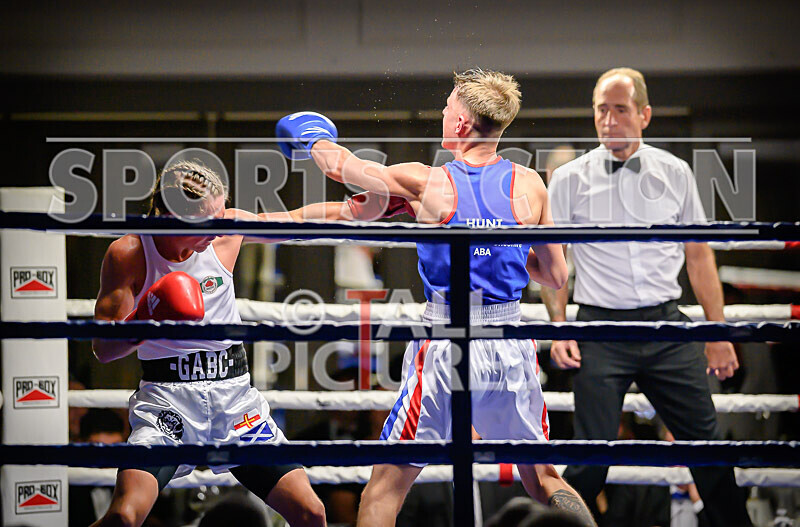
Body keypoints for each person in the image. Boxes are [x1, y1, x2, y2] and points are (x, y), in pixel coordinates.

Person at [276, 69, 596, 527]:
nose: (443, 114)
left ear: (463, 123)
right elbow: (555, 276)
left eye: (448, 109)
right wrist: (502, 243)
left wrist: (309, 135)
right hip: (509, 341)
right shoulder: (530, 186)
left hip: (448, 342)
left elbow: (338, 168)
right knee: (544, 477)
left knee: (383, 490)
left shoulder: (427, 182)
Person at [91, 160, 394, 527]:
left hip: (235, 403)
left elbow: (296, 221)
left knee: (311, 512)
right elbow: (103, 348)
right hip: (168, 404)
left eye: (222, 213)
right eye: (208, 219)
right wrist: (149, 316)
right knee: (124, 516)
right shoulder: (130, 253)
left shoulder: (225, 233)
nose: (220, 225)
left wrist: (358, 210)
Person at [542, 67, 752, 526]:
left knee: (708, 450)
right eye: (602, 110)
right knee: (590, 460)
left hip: (666, 326)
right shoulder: (569, 179)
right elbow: (552, 262)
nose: (610, 119)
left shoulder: (675, 173)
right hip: (600, 328)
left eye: (620, 109)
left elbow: (699, 257)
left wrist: (717, 334)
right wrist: (559, 327)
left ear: (645, 114)